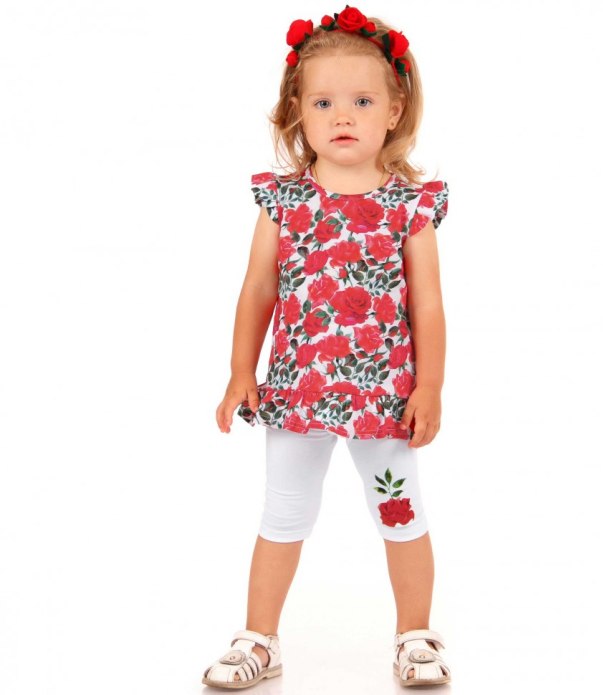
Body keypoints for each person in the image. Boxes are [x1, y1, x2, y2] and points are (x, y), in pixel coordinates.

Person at [201, 4, 451, 689]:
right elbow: (258, 287)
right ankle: (260, 638)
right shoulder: (283, 202)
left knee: (400, 511)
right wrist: (240, 371)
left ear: (394, 111)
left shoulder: (410, 206)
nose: (343, 116)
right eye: (323, 102)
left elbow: (427, 303)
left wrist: (429, 385)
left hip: (384, 398)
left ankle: (415, 635)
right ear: (298, 114)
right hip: (297, 391)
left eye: (362, 101)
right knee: (283, 513)